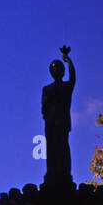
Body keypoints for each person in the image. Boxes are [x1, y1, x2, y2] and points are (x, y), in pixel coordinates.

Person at [41, 46, 75, 186]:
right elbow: (43, 108)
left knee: (63, 148)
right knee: (51, 148)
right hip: (50, 123)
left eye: (57, 67)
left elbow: (73, 77)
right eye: (52, 68)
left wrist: (68, 60)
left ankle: (65, 173)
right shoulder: (47, 89)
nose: (55, 70)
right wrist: (49, 118)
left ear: (62, 71)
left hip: (62, 122)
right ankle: (51, 172)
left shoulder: (67, 87)